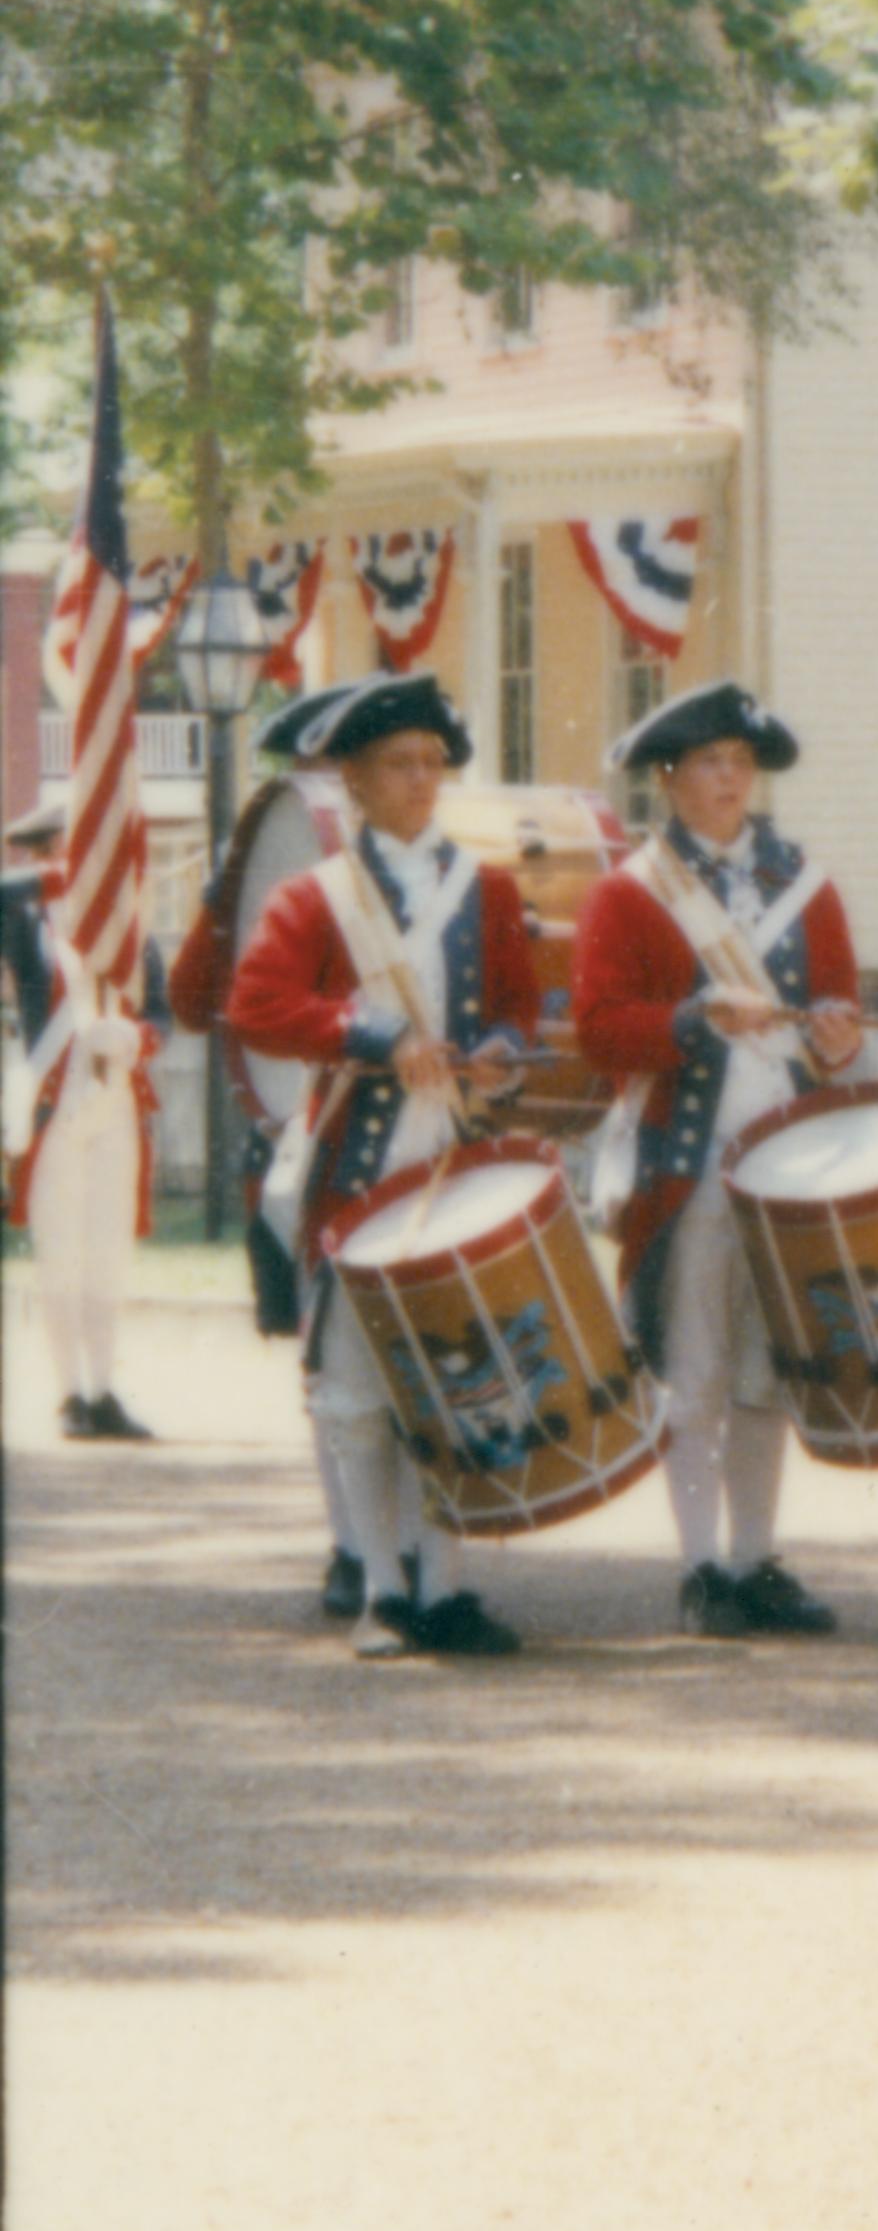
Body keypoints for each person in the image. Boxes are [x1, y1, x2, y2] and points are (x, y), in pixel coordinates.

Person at [227, 672, 538, 1657]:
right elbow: (259, 1005)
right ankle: (378, 1584)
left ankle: (444, 1585)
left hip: (453, 1152)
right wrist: (369, 1033)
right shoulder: (312, 895)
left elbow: (521, 1009)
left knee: (455, 1383)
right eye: (399, 764)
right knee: (357, 1392)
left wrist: (499, 1051)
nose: (420, 780)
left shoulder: (484, 887)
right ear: (353, 780)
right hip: (358, 1163)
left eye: (432, 764)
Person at [572, 680, 862, 1638]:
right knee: (691, 1368)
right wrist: (693, 1019)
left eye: (740, 762)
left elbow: (840, 1019)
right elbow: (601, 1028)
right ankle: (701, 1569)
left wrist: (835, 1034)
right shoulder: (629, 892)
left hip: (789, 1160)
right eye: (708, 762)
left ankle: (757, 1558)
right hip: (688, 1163)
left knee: (766, 1366)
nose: (729, 778)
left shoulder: (805, 884)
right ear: (671, 777)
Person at [169, 683, 367, 1615]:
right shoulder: (285, 877)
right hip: (306, 1137)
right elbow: (191, 999)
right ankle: (350, 1545)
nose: (317, 794)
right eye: (310, 773)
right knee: (328, 1357)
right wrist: (226, 897)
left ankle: (400, 1547)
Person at [2, 797, 161, 1442]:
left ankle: (104, 1388)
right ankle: (70, 1391)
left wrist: (133, 1037)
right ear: (43, 854)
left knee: (107, 1254)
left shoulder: (130, 928)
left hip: (116, 1104)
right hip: (53, 1105)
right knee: (60, 1254)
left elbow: (167, 1016)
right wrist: (65, 879)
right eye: (65, 849)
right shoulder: (25, 920)